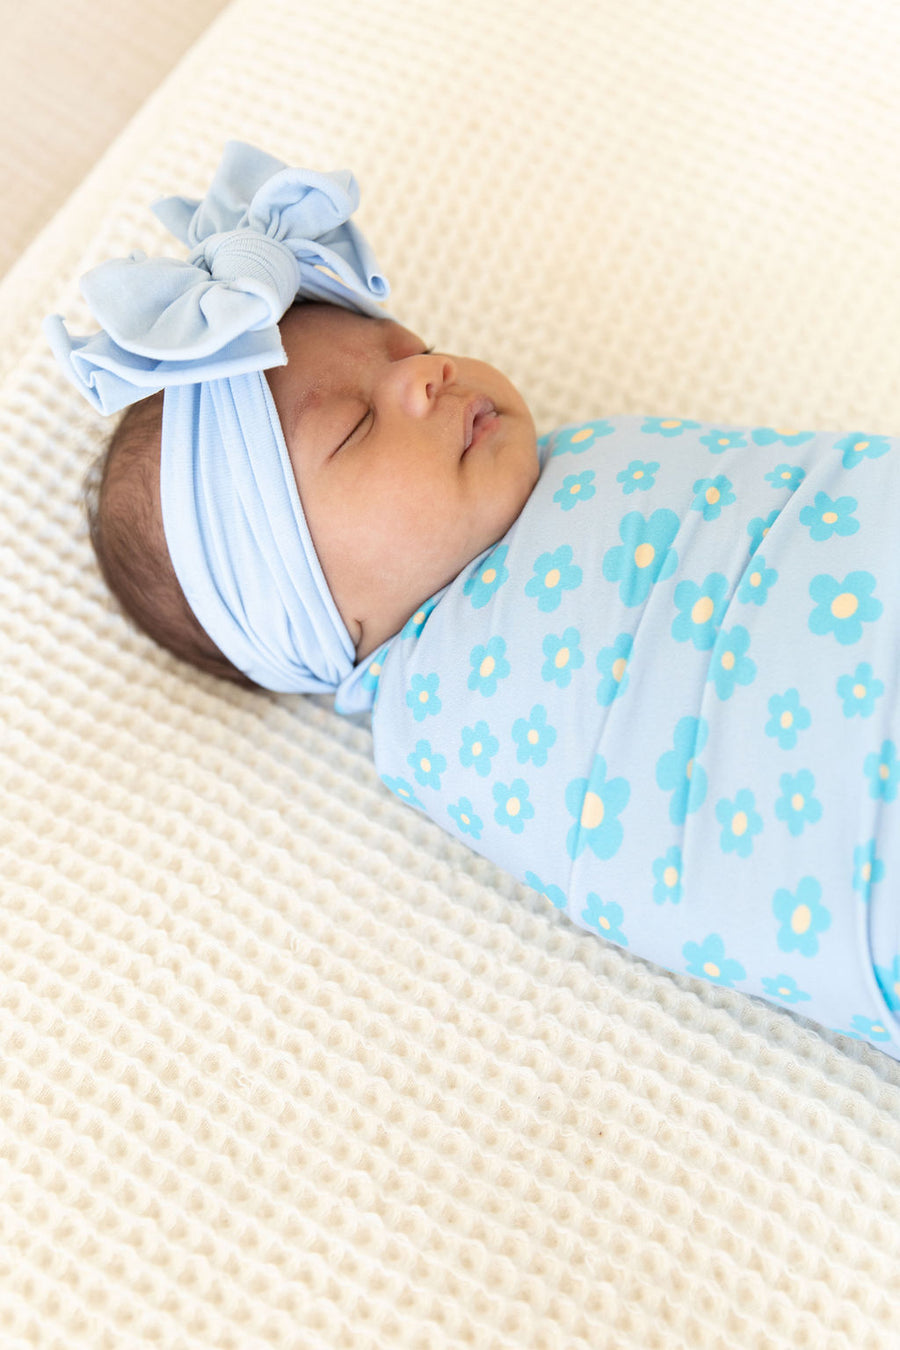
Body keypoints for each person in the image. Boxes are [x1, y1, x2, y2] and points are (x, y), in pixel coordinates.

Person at [44, 141, 900, 1060]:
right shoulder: (437, 727)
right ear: (319, 615)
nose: (427, 373)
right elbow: (658, 846)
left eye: (412, 349)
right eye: (355, 427)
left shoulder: (591, 452)